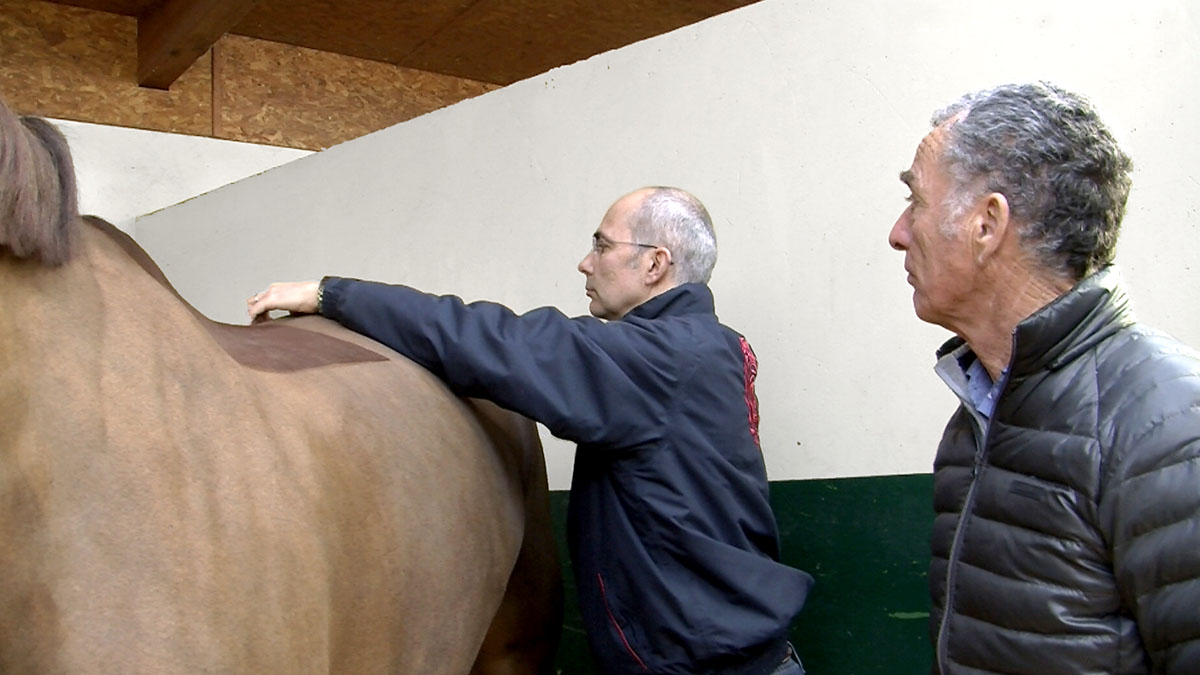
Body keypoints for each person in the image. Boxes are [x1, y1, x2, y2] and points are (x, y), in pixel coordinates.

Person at [248, 186, 813, 674]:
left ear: (655, 264)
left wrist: (332, 295)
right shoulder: (705, 346)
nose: (585, 263)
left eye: (601, 244)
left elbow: (500, 343)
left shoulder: (662, 359)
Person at [889, 81, 1200, 674]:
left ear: (987, 223)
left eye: (917, 202)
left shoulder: (1169, 425)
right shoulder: (975, 417)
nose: (899, 232)